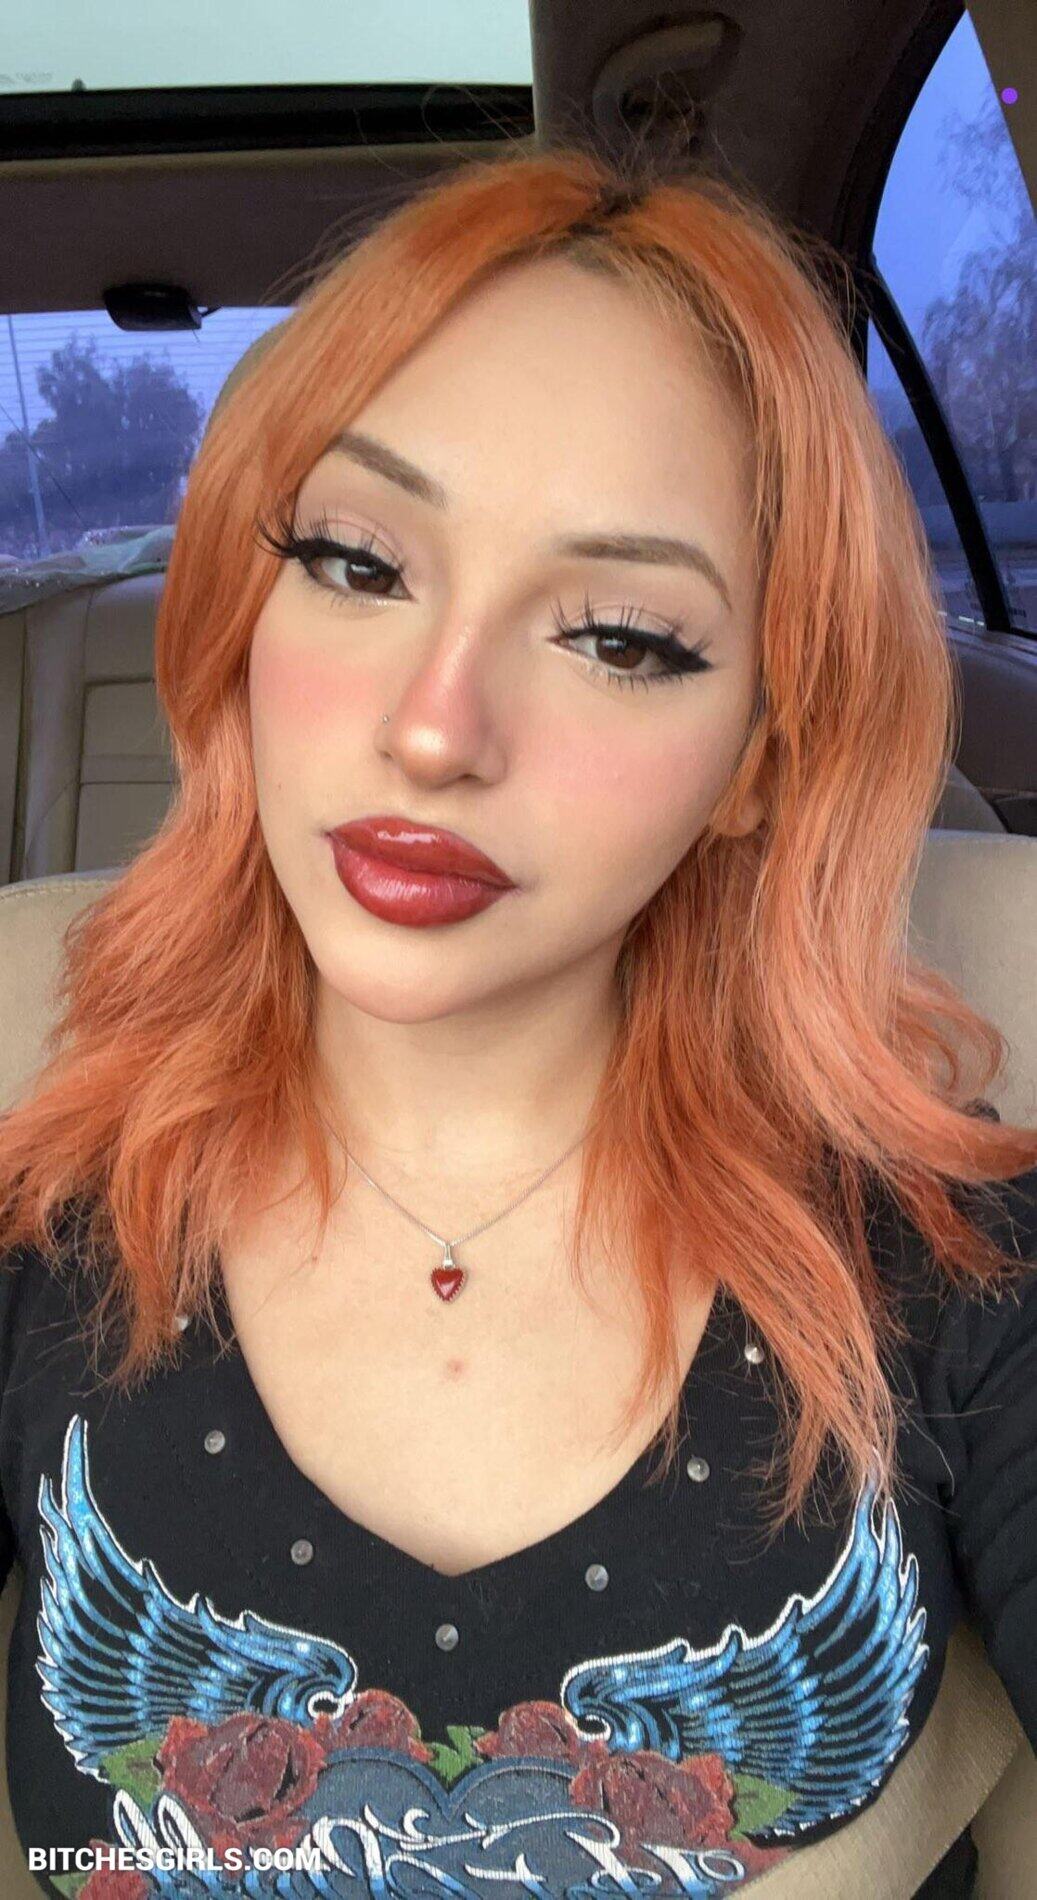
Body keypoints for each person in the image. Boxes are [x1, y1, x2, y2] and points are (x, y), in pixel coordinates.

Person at [0, 147, 1034, 1900]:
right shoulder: (42, 1226)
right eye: (355, 560)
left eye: (619, 637)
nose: (433, 728)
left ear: (756, 761)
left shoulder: (963, 1286)